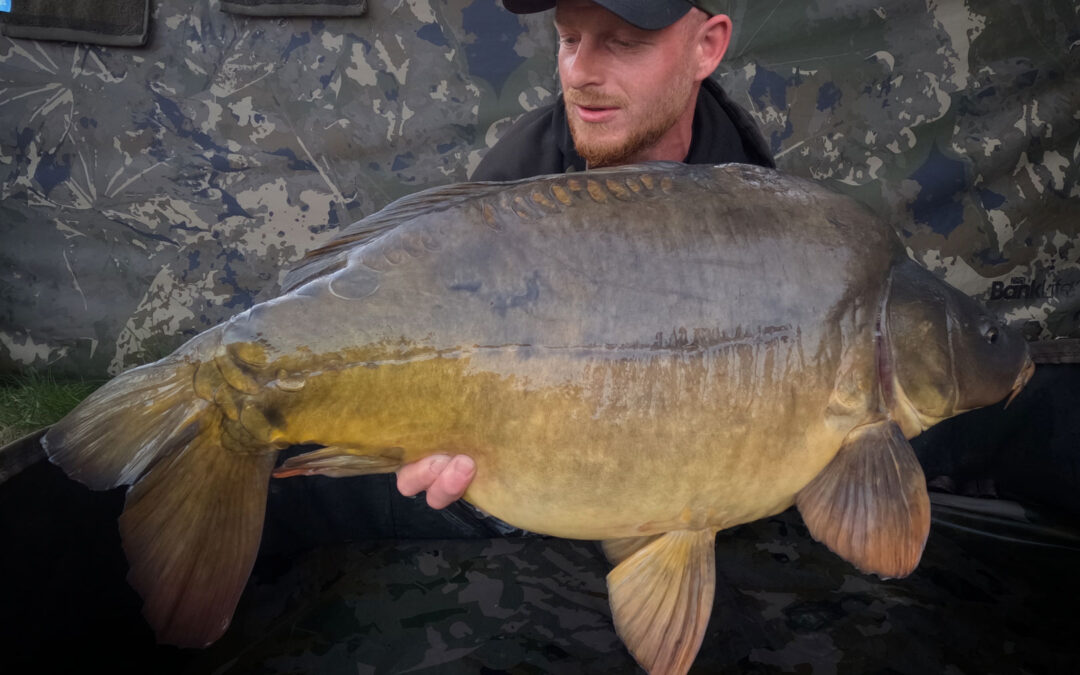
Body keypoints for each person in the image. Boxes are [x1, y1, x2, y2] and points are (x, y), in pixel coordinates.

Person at [394, 0, 774, 524]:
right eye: (569, 39)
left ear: (705, 48)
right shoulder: (514, 181)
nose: (579, 72)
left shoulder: (749, 190)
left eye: (623, 43)